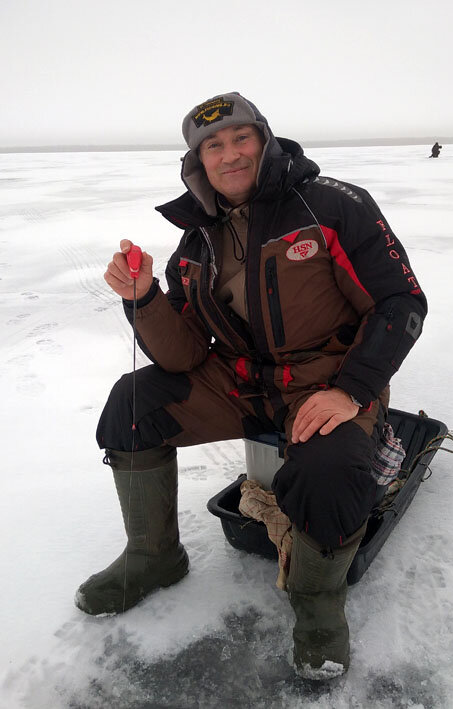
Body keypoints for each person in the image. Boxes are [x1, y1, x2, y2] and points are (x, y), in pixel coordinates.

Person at [75, 92, 427, 679]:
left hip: (327, 382)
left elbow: (400, 301)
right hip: (239, 381)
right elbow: (185, 355)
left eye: (242, 137)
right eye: (213, 146)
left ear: (264, 142)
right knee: (132, 404)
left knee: (329, 471)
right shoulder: (195, 241)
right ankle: (153, 556)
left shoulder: (332, 206)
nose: (230, 153)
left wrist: (351, 390)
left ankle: (318, 606)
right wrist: (144, 299)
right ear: (198, 163)